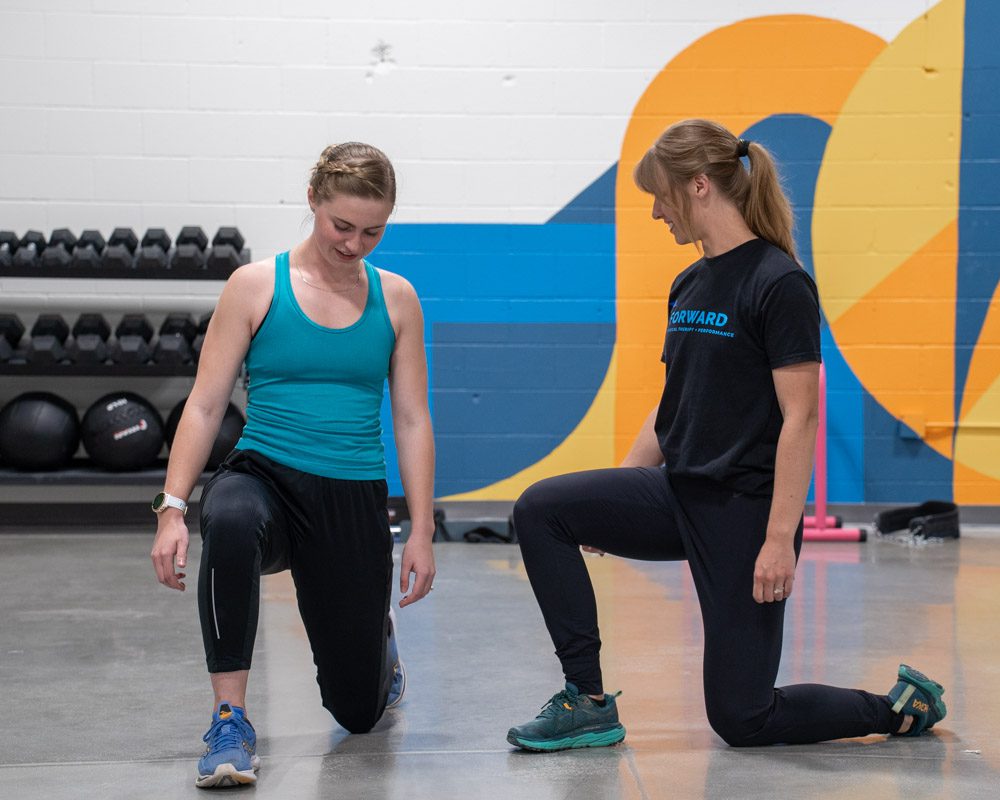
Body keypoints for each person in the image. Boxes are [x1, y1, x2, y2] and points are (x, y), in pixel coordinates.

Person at [506, 119, 946, 752]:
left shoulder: (779, 282)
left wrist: (778, 540)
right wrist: (624, 485)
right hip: (679, 493)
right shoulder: (688, 283)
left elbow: (801, 419)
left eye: (660, 195)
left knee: (742, 718)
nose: (657, 212)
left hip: (745, 513)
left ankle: (897, 708)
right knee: (543, 508)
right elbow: (674, 400)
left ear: (699, 186)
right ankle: (588, 702)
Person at [150, 142, 436, 788]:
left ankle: (378, 656)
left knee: (359, 713)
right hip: (267, 477)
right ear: (312, 201)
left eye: (372, 231)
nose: (355, 244)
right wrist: (171, 507)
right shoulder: (255, 285)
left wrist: (419, 530)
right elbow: (204, 404)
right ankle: (229, 719)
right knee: (226, 516)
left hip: (352, 493)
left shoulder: (397, 300)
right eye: (342, 226)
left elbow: (414, 418)